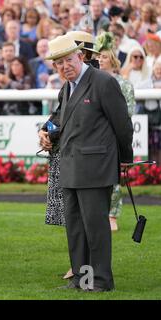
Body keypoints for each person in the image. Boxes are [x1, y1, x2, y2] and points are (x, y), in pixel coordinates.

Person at [45, 34, 133, 292]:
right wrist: (47, 132)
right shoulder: (67, 87)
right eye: (59, 63)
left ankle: (102, 281)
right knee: (75, 230)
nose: (65, 67)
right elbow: (60, 121)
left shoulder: (103, 82)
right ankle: (82, 280)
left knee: (95, 229)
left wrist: (125, 159)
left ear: (80, 56)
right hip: (70, 167)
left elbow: (123, 126)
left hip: (96, 169)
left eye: (68, 60)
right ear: (54, 67)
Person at [95, 32, 136, 232]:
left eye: (103, 57)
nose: (100, 60)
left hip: (115, 136)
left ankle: (112, 215)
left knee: (115, 178)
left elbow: (127, 113)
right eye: (98, 57)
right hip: (96, 138)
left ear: (112, 59)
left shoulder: (124, 84)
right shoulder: (91, 81)